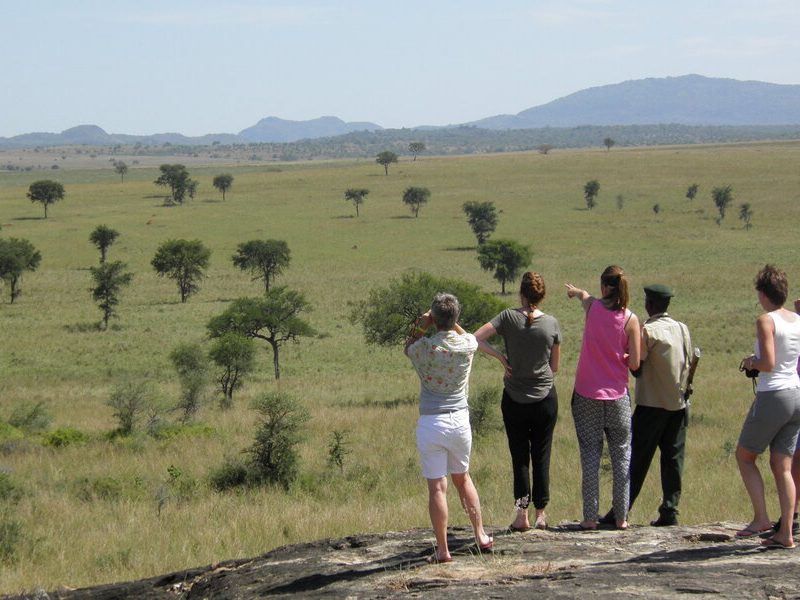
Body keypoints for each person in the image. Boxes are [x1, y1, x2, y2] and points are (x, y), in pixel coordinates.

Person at [405, 293, 493, 563]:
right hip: (459, 420)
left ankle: (443, 551)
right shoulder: (466, 344)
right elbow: (468, 336)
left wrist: (423, 324)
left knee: (437, 488)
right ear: (455, 318)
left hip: (432, 421)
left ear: (434, 319)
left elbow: (408, 346)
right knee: (463, 478)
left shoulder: (426, 347)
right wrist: (451, 322)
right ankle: (480, 535)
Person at [600, 284, 693, 527]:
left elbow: (637, 369)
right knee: (673, 460)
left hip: (651, 405)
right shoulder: (682, 328)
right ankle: (670, 510)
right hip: (678, 404)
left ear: (649, 304)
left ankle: (621, 511)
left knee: (635, 461)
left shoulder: (647, 330)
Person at [474, 272, 561, 532]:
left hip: (514, 398)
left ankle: (521, 514)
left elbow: (476, 338)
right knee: (542, 454)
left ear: (521, 293)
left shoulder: (507, 317)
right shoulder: (553, 324)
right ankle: (541, 514)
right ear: (542, 295)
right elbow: (554, 367)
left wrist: (501, 357)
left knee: (520, 457)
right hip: (545, 398)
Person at [565, 266, 641, 530]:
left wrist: (576, 293)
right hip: (618, 396)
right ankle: (621, 518)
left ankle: (589, 518)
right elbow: (636, 364)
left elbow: (585, 296)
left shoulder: (593, 309)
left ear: (605, 287)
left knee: (589, 455)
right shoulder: (631, 319)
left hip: (587, 394)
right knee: (622, 457)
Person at [735, 265, 800, 549]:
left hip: (773, 394)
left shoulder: (766, 320)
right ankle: (786, 532)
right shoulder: (796, 319)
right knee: (782, 466)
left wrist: (751, 362)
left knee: (744, 456)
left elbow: (769, 364)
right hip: (796, 393)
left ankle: (761, 518)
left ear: (763, 294)